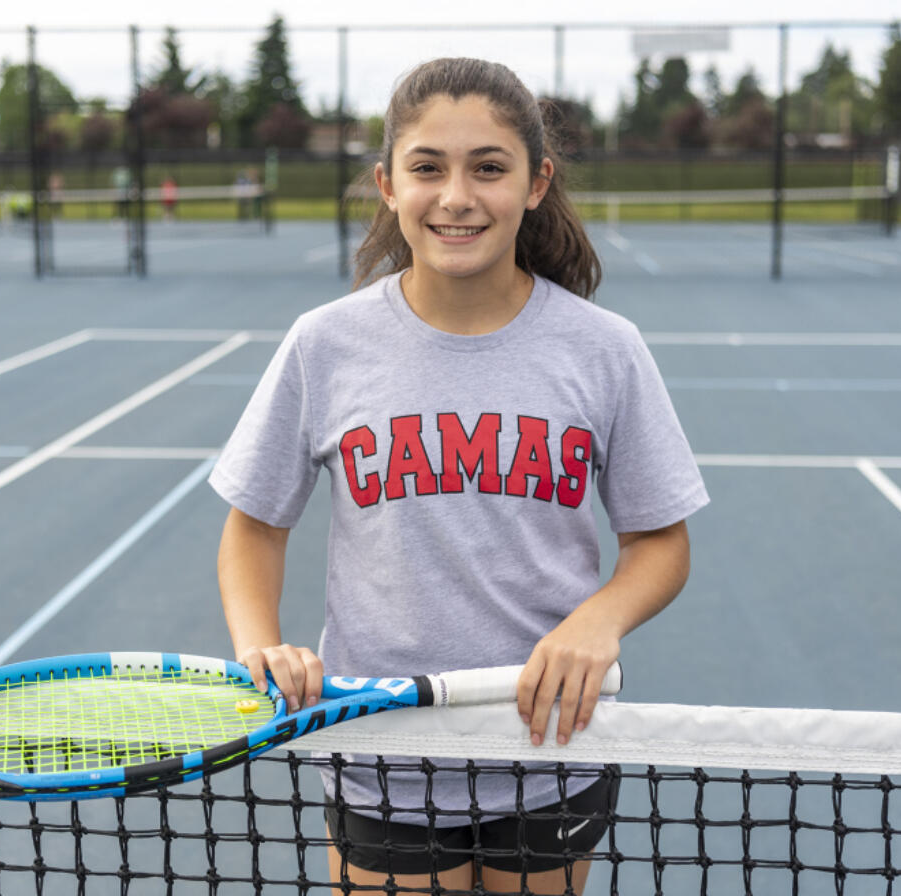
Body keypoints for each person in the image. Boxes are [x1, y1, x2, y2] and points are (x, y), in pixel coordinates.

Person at [210, 57, 708, 896]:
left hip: (548, 745)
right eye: (427, 168)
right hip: (381, 749)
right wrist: (260, 645)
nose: (456, 197)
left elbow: (660, 540)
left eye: (488, 167)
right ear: (387, 184)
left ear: (537, 182)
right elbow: (254, 526)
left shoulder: (604, 348)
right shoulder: (325, 344)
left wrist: (600, 621)